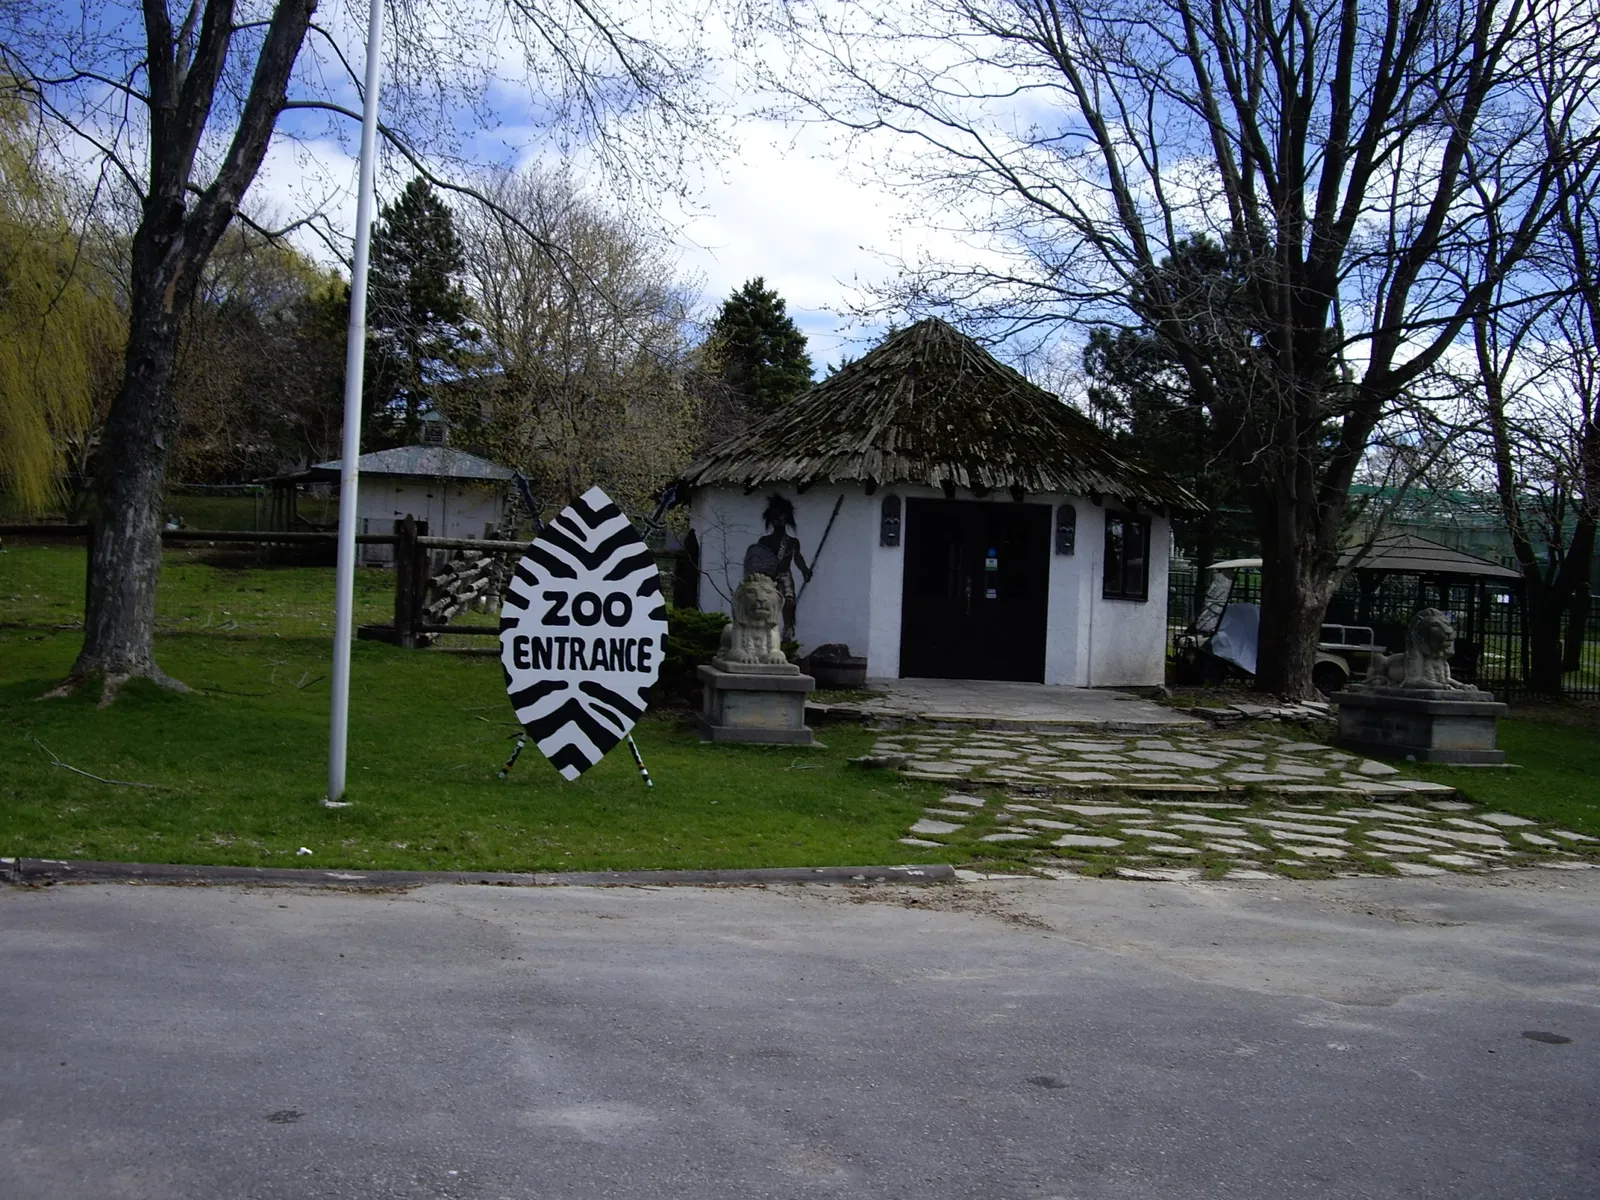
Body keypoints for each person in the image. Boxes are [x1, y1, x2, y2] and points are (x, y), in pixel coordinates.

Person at [742, 494, 812, 643]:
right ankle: (764, 630)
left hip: (784, 575)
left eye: (780, 516)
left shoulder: (792, 542)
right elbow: (758, 559)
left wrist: (805, 570)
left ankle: (788, 629)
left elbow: (798, 559)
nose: (777, 520)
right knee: (765, 603)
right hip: (767, 577)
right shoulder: (764, 541)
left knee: (789, 602)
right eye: (775, 516)